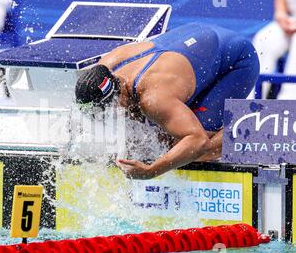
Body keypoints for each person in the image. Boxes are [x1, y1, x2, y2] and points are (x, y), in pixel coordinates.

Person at [75, 23, 259, 180]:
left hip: (235, 59)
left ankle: (252, 126)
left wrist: (150, 171)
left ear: (117, 94)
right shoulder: (105, 66)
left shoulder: (153, 98)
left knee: (191, 151)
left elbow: (196, 140)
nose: (110, 114)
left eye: (108, 108)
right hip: (197, 39)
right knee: (157, 136)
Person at [252, 0, 296, 99]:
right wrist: (281, 14)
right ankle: (251, 102)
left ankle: (290, 103)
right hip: (290, 20)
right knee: (265, 38)